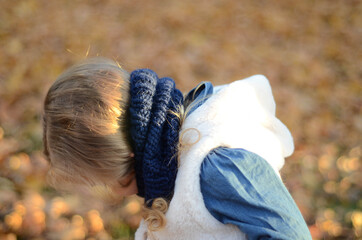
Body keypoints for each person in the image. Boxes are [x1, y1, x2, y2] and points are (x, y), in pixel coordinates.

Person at [43, 57, 312, 240]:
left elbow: (290, 234)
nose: (109, 190)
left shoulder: (215, 167)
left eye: (101, 180)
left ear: (126, 158)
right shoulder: (165, 165)